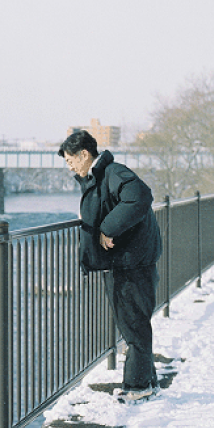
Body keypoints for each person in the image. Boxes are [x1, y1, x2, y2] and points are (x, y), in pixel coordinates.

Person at [58, 129, 163, 402]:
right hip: (128, 262)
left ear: (84, 154)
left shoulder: (113, 172)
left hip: (131, 263)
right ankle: (147, 382)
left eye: (70, 160)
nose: (70, 167)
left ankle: (138, 387)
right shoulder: (101, 175)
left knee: (134, 325)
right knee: (135, 324)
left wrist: (108, 228)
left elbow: (140, 196)